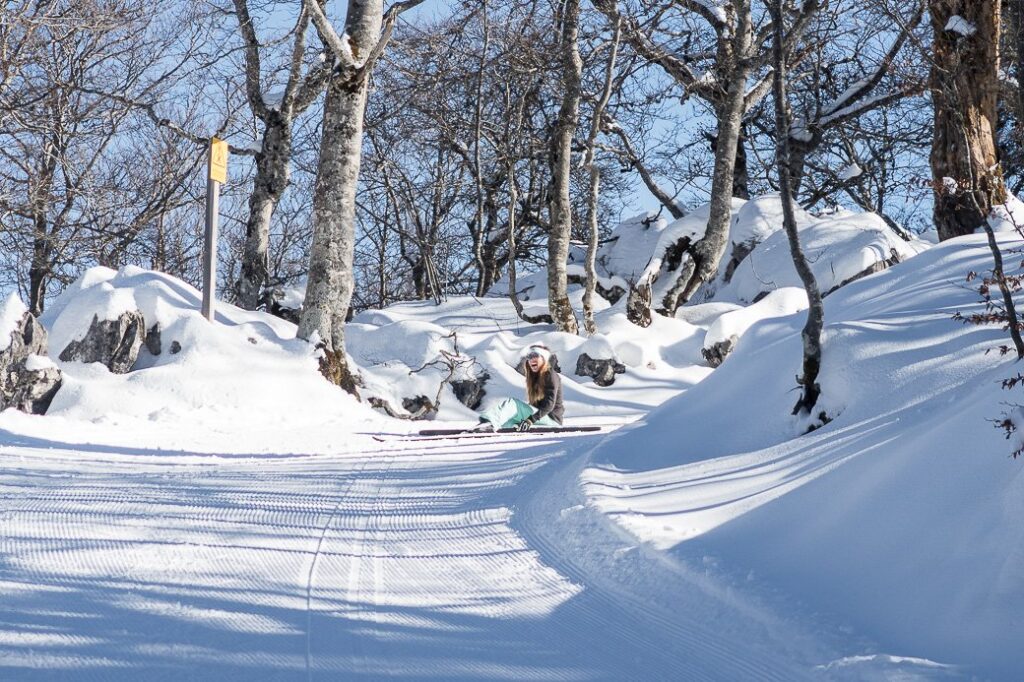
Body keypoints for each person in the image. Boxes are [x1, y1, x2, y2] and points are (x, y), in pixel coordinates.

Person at [471, 344, 564, 432]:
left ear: (544, 358)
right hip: (541, 419)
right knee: (508, 421)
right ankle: (486, 429)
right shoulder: (537, 377)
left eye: (535, 355)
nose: (531, 359)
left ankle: (489, 423)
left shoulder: (550, 375)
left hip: (552, 420)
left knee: (513, 404)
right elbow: (535, 406)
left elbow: (549, 405)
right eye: (529, 357)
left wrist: (530, 420)